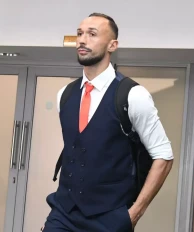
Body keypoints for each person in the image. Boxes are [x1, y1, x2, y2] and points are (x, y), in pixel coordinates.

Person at [41, 12, 174, 232]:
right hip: (63, 213)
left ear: (112, 45)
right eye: (80, 33)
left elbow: (164, 157)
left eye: (92, 34)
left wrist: (133, 214)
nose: (83, 40)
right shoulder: (65, 94)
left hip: (109, 218)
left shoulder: (132, 95)